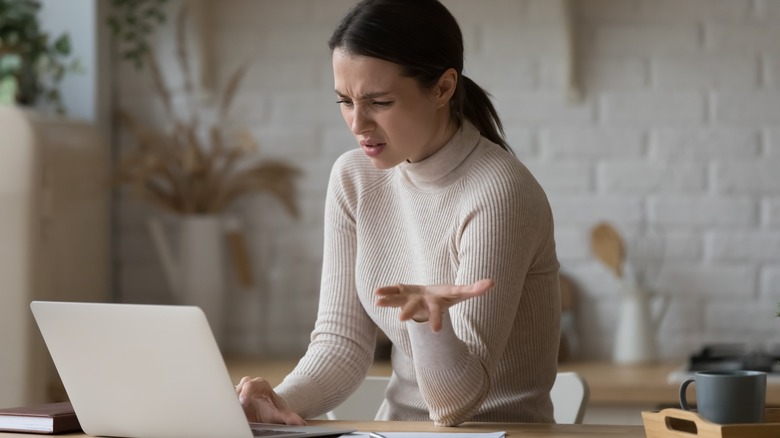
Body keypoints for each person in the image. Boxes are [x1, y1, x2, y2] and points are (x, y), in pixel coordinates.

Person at [236, 0, 560, 427]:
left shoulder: (499, 193)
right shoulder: (354, 178)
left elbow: (456, 405)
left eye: (379, 102)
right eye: (345, 101)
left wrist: (428, 326)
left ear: (443, 88)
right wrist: (276, 405)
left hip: (499, 433)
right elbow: (341, 346)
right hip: (395, 432)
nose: (357, 124)